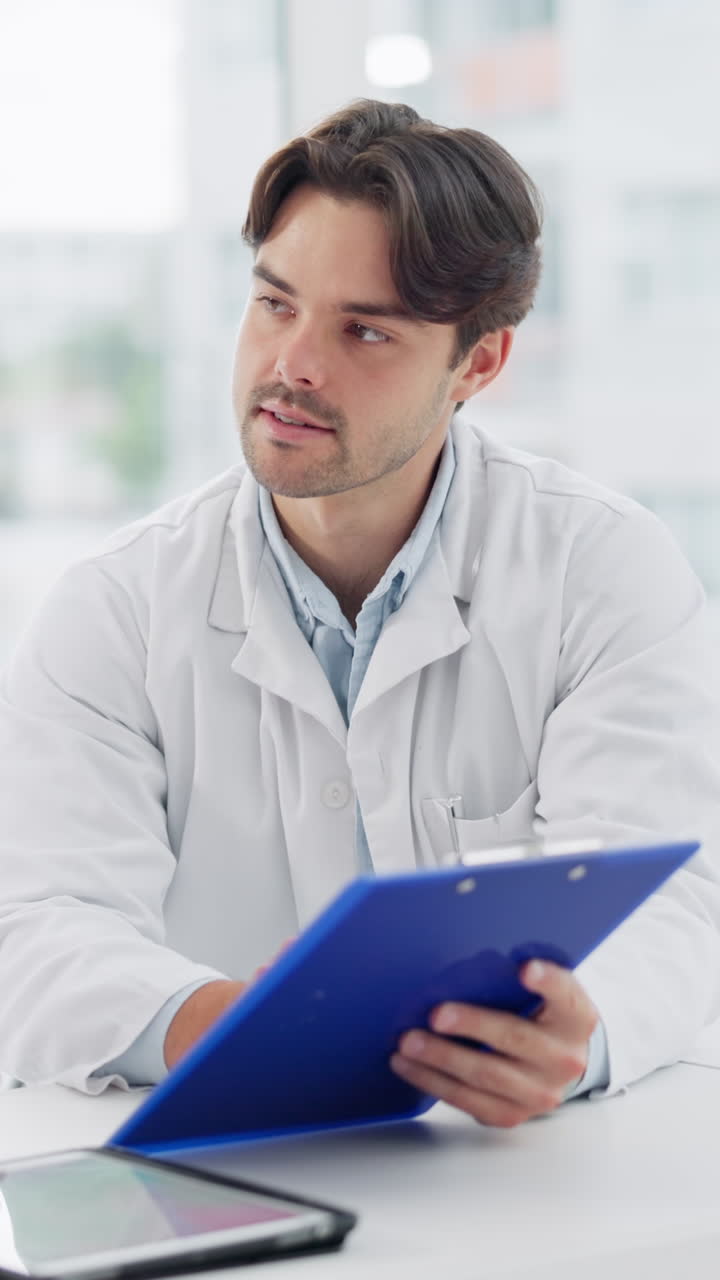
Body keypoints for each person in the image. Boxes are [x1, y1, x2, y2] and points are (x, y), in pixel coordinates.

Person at [1, 99, 720, 1128]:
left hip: (523, 1171)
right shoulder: (113, 607)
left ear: (478, 363)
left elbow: (671, 900)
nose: (292, 363)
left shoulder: (603, 570)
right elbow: (35, 926)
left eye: (365, 329)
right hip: (222, 1158)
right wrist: (228, 1025)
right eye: (275, 303)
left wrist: (581, 1031)